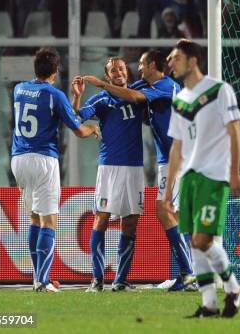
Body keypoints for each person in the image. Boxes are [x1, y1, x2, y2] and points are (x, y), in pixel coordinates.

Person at [82, 50, 194, 291]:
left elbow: (135, 97)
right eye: (115, 70)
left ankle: (187, 273)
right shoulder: (128, 89)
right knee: (172, 213)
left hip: (176, 157)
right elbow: (80, 116)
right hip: (153, 159)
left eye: (141, 65)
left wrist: (102, 84)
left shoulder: (165, 86)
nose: (137, 69)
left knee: (164, 211)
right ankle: (187, 273)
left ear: (153, 65)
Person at [164, 39, 240, 318]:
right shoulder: (179, 99)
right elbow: (177, 147)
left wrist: (234, 171)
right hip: (190, 177)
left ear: (192, 61)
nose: (170, 63)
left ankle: (233, 288)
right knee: (193, 241)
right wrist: (167, 192)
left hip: (214, 175)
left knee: (202, 239)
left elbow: (235, 131)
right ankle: (209, 303)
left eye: (175, 58)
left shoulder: (219, 90)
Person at [11, 48, 100, 292]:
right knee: (49, 221)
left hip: (18, 159)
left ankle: (38, 277)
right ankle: (43, 280)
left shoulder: (19, 89)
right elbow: (79, 130)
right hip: (43, 159)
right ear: (56, 70)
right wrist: (94, 129)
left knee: (35, 218)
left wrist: (75, 99)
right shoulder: (54, 94)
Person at [71, 57, 144, 292]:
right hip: (109, 167)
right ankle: (96, 279)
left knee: (130, 223)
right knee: (101, 218)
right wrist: (78, 95)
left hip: (134, 167)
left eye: (121, 68)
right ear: (107, 76)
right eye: (113, 70)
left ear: (127, 72)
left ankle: (121, 280)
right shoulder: (102, 98)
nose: (118, 72)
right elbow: (77, 117)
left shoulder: (137, 94)